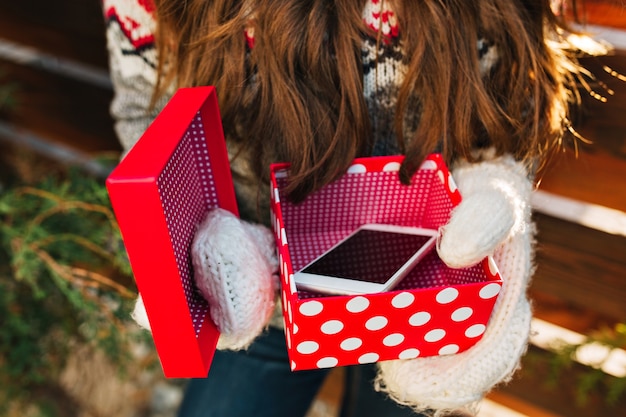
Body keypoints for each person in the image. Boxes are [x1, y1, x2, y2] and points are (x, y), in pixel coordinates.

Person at [102, 1, 594, 416]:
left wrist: (496, 187)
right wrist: (194, 238)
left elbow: (518, 100)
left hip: (431, 292)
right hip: (258, 290)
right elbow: (148, 111)